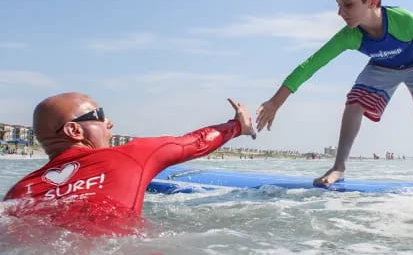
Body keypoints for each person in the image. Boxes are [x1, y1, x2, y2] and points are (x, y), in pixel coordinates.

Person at [256, 0, 413, 187]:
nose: (340, 12)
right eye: (339, 5)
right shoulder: (350, 36)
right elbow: (310, 66)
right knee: (354, 103)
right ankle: (338, 168)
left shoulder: (404, 21)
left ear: (373, 1)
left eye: (348, 4)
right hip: (382, 65)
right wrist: (275, 103)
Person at [3, 92, 256, 236]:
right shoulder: (130, 156)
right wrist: (237, 126)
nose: (109, 123)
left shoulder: (19, 192)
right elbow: (194, 142)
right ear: (74, 130)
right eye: (100, 117)